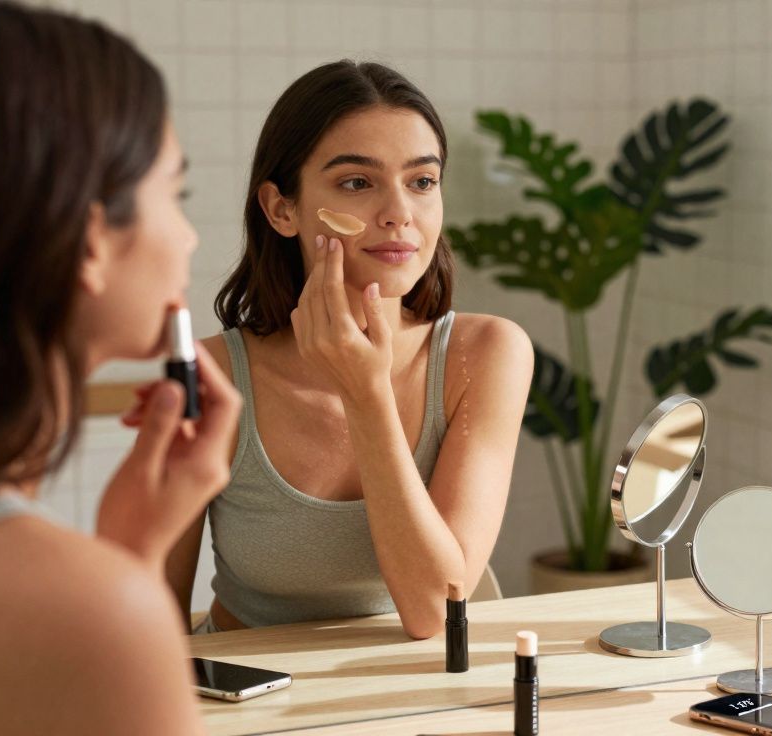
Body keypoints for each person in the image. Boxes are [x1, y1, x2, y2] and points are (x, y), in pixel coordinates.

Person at [157, 61, 533, 638]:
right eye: (357, 183)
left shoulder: (485, 354)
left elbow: (437, 609)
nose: (399, 214)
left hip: (409, 704)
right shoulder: (209, 376)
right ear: (282, 209)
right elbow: (153, 619)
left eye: (422, 181)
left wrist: (367, 394)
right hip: (243, 700)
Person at [0, 2, 241, 733]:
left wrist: (133, 556)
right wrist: (121, 592)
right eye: (174, 195)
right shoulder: (84, 614)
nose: (188, 234)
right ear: (91, 241)